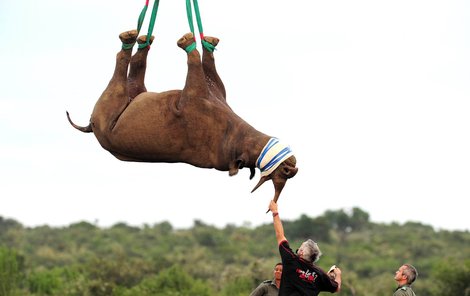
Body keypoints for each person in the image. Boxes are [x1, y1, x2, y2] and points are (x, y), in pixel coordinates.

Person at [268, 200, 341, 295]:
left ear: (301, 253)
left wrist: (275, 212)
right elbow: (336, 287)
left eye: (299, 248)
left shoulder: (291, 260)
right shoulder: (320, 274)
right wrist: (338, 274)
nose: (297, 250)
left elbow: (280, 235)